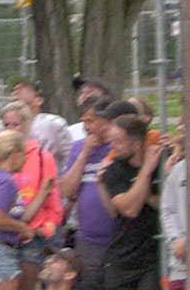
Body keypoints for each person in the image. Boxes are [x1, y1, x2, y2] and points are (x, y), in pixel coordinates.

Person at [0, 101, 62, 290]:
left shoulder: (43, 158)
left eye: (16, 124)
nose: (11, 129)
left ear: (29, 124)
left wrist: (39, 230)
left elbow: (51, 210)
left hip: (28, 239)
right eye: (6, 124)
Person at [98, 114, 163, 290]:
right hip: (122, 255)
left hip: (153, 256)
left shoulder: (162, 163)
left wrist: (145, 195)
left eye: (118, 141)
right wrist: (146, 170)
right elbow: (129, 209)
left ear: (136, 144)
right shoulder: (114, 170)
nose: (112, 146)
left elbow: (168, 205)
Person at [60, 96, 116, 290]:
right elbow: (67, 190)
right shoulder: (78, 148)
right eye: (83, 121)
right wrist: (84, 153)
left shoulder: (118, 146)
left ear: (107, 120)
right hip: (88, 238)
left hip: (118, 237)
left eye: (91, 121)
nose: (86, 126)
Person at [0, 80, 72, 169]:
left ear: (38, 100)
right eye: (15, 88)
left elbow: (70, 158)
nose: (17, 89)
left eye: (24, 86)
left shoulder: (53, 125)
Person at [159, 118, 187, 290]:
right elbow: (167, 209)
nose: (180, 128)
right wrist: (176, 239)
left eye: (186, 123)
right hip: (181, 268)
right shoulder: (178, 170)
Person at [67, 77, 111, 143]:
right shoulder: (71, 131)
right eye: (82, 92)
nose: (84, 96)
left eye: (89, 92)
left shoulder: (116, 131)